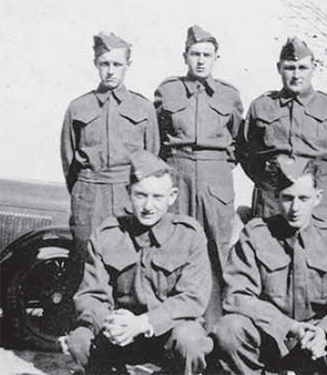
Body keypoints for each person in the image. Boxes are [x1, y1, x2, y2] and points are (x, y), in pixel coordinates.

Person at [213, 156, 327, 374]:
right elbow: (236, 296)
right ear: (276, 198)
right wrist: (289, 326)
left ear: (318, 198)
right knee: (228, 330)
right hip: (272, 337)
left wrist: (324, 332)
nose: (295, 207)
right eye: (287, 198)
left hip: (318, 343)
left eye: (303, 198)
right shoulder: (255, 235)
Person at [64, 151, 213, 375]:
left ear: (172, 197)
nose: (148, 206)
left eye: (157, 197)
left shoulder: (189, 235)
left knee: (190, 340)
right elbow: (89, 296)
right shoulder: (107, 235)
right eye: (140, 195)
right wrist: (112, 323)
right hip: (119, 334)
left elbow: (192, 299)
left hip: (166, 332)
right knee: (79, 340)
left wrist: (143, 323)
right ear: (128, 193)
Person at [154, 25, 243, 329]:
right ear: (185, 56)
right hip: (177, 176)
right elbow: (156, 140)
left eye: (207, 54)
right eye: (195, 54)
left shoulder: (230, 95)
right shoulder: (168, 91)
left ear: (217, 57)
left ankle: (216, 328)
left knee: (216, 251)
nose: (201, 60)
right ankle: (172, 327)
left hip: (215, 179)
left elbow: (236, 144)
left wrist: (213, 168)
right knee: (174, 247)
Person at [237, 37, 327, 225]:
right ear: (279, 68)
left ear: (313, 68)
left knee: (320, 249)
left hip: (320, 200)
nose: (296, 75)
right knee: (270, 250)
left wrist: (321, 177)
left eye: (302, 68)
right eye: (289, 68)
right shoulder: (262, 107)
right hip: (273, 199)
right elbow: (247, 154)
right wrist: (270, 180)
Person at [60, 32, 160, 258]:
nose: (111, 70)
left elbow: (152, 157)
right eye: (105, 64)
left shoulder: (143, 108)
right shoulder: (78, 107)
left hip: (127, 195)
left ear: (128, 65)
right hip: (89, 196)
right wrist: (82, 191)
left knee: (126, 264)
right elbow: (69, 161)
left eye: (117, 64)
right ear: (96, 64)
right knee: (85, 262)